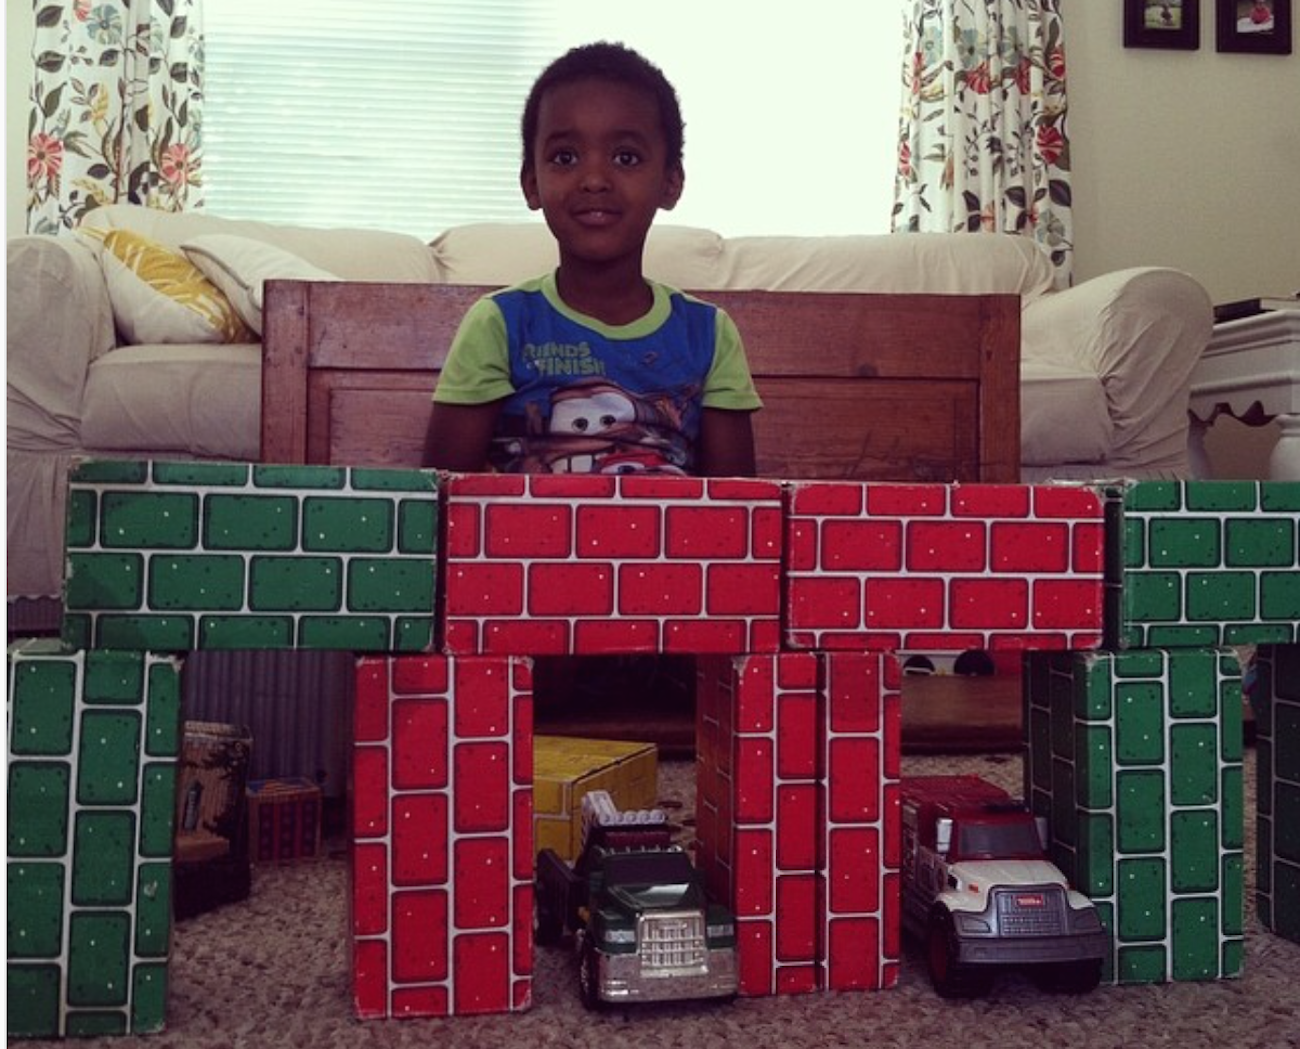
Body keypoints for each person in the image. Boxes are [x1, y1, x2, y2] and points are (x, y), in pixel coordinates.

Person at [424, 41, 762, 479]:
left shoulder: (709, 334)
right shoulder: (499, 324)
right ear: (531, 183)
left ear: (671, 183)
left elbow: (737, 514)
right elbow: (442, 504)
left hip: (668, 547)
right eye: (565, 157)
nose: (595, 179)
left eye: (626, 157)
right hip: (523, 545)